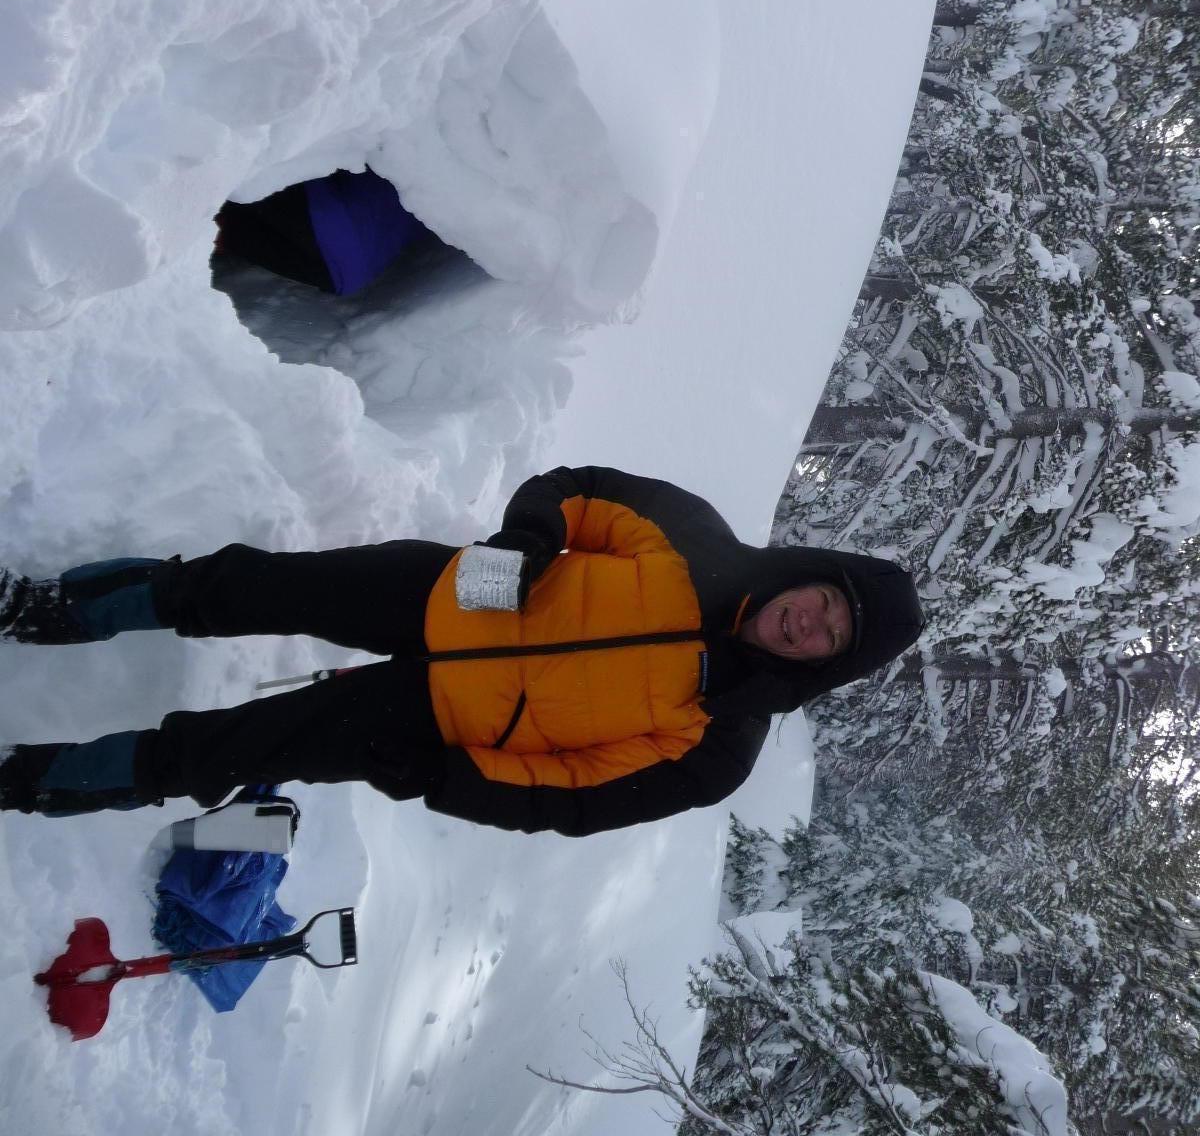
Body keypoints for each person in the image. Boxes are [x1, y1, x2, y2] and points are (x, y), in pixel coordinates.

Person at [0, 465, 924, 835]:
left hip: (433, 723)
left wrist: (444, 778)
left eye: (830, 638)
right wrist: (529, 540)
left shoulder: (720, 746)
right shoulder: (699, 540)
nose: (808, 622)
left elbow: (572, 797)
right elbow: (576, 490)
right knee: (239, 585)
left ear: (826, 665)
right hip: (460, 591)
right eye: (824, 600)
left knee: (225, 752)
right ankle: (50, 608)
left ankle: (29, 778)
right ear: (815, 573)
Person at [214, 168, 448, 296]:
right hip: (346, 274)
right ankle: (219, 229)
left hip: (326, 219)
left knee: (256, 170)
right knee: (233, 230)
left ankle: (210, 219)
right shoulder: (443, 197)